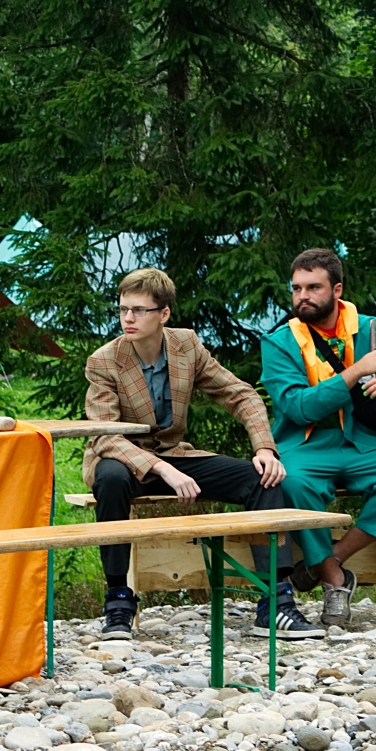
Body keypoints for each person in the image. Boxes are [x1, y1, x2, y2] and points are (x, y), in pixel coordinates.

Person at [83, 267, 323, 640]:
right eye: (123, 309)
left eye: (139, 310)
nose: (128, 318)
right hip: (125, 459)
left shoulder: (186, 346)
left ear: (164, 313)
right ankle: (118, 602)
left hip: (175, 456)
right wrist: (162, 469)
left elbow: (240, 394)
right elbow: (105, 435)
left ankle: (276, 604)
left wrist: (264, 447)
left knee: (262, 478)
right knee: (110, 478)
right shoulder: (104, 360)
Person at [261, 248, 376, 626]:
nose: (303, 296)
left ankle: (331, 559)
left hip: (367, 441)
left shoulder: (374, 330)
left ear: (336, 290)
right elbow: (298, 408)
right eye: (297, 289)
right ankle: (335, 581)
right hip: (306, 444)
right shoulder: (278, 342)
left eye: (313, 287)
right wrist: (355, 372)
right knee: (289, 483)